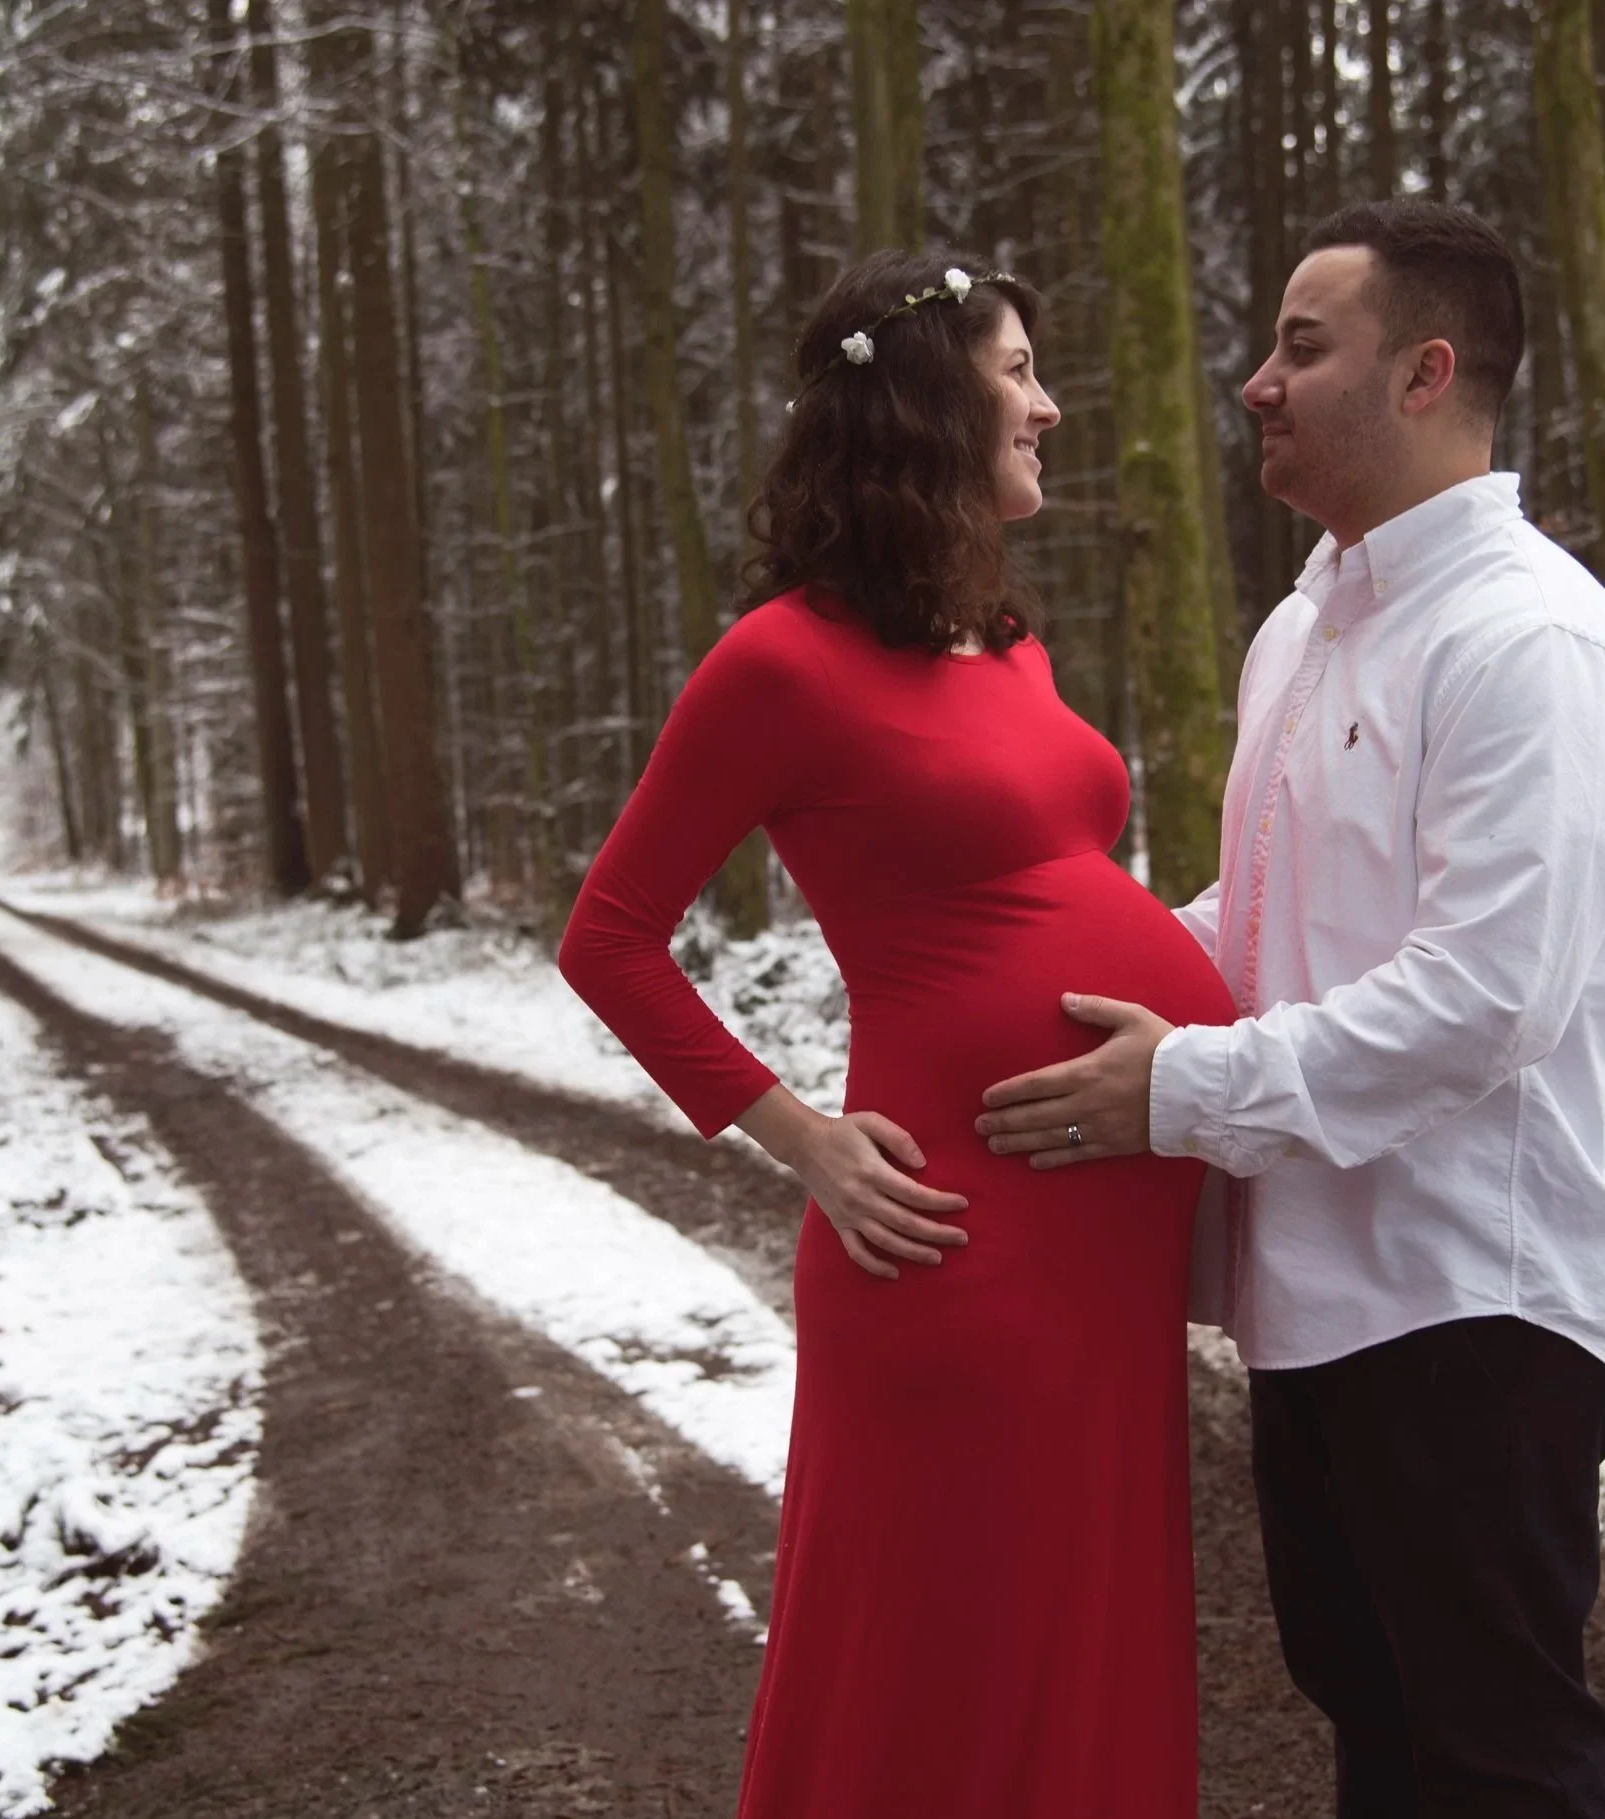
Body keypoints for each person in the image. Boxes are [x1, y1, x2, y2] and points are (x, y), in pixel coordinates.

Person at [975, 198, 1605, 1819]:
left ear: (1426, 373)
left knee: (1498, 1745)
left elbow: (1487, 993)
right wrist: (1057, 975)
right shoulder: (1303, 626)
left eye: (1302, 345)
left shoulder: (1533, 639)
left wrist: (1185, 1090)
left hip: (1477, 1289)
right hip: (1323, 1285)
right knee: (1373, 1714)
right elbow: (1266, 921)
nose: (1255, 383)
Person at [558, 252, 1235, 1817]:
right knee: (947, 1662)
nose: (1049, 406)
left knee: (1083, 1638)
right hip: (954, 1244)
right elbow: (610, 935)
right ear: (928, 403)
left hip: (1106, 1256)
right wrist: (799, 1137)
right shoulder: (779, 661)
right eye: (1016, 374)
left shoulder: (1010, 644)